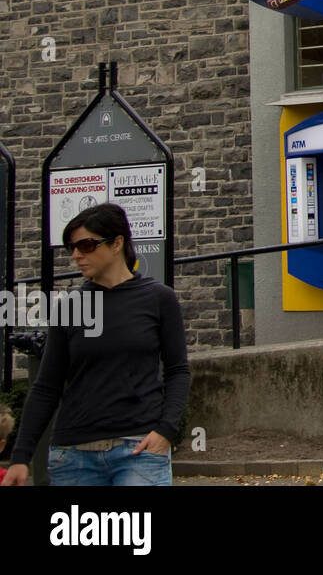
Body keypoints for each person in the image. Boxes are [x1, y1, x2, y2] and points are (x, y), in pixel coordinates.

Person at [0, 203, 190, 486]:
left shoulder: (159, 298)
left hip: (139, 449)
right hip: (74, 456)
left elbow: (177, 370)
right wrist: (20, 456)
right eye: (72, 247)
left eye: (86, 245)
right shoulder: (70, 307)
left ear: (117, 243)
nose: (77, 255)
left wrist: (166, 430)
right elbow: (46, 387)